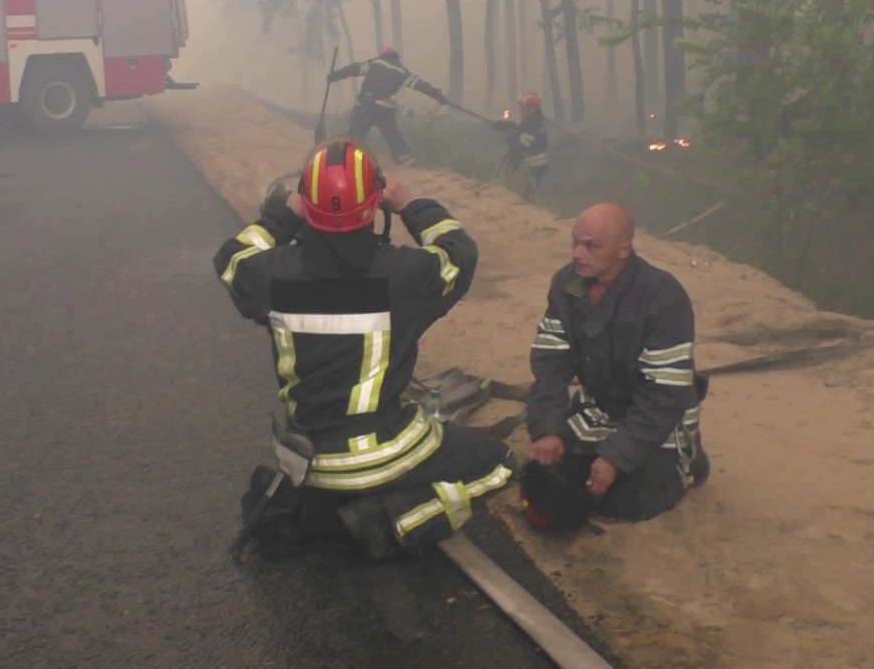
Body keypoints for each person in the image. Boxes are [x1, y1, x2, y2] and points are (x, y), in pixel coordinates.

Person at [213, 137, 515, 558]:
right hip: (385, 451)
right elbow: (459, 252)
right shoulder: (406, 275)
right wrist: (409, 203)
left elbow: (231, 258)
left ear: (306, 203)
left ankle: (331, 516)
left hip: (311, 462)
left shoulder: (271, 275)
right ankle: (394, 516)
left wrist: (282, 216)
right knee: (499, 462)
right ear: (374, 205)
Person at [520, 202, 708, 530]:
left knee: (626, 503)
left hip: (657, 417)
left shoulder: (662, 296)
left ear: (624, 249)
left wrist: (615, 456)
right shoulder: (565, 284)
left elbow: (664, 394)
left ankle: (687, 464)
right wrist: (547, 427)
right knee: (551, 474)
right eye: (575, 242)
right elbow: (550, 362)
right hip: (600, 407)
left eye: (591, 246)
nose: (578, 253)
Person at [327, 47, 448, 166]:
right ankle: (407, 162)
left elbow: (353, 69)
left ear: (382, 56)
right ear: (396, 58)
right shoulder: (402, 71)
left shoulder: (374, 63)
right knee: (394, 137)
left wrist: (335, 76)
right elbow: (421, 86)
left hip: (366, 107)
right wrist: (439, 96)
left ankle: (343, 162)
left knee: (354, 137)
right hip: (385, 110)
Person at [494, 92, 550, 199]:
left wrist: (509, 136)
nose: (521, 111)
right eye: (521, 108)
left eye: (524, 108)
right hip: (530, 165)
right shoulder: (528, 121)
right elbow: (517, 126)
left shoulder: (534, 125)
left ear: (532, 109)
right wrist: (503, 125)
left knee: (527, 193)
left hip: (537, 166)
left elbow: (520, 146)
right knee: (525, 190)